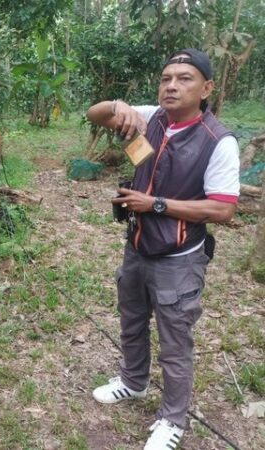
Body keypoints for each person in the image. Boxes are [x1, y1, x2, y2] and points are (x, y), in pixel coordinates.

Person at [86, 49, 239, 450]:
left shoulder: (218, 141)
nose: (172, 86)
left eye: (185, 78)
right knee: (132, 320)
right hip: (137, 246)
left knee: (174, 342)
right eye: (166, 78)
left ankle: (172, 419)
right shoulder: (152, 117)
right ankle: (133, 381)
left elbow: (223, 209)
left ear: (206, 88)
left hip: (179, 258)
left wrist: (155, 204)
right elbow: (93, 113)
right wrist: (118, 106)